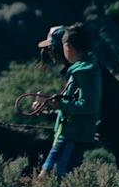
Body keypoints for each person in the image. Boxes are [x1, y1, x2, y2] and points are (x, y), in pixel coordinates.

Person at [40, 22, 102, 178]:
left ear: (67, 47)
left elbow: (89, 105)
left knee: (49, 178)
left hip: (71, 138)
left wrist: (61, 104)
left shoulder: (84, 72)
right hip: (68, 136)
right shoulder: (82, 70)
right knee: (48, 177)